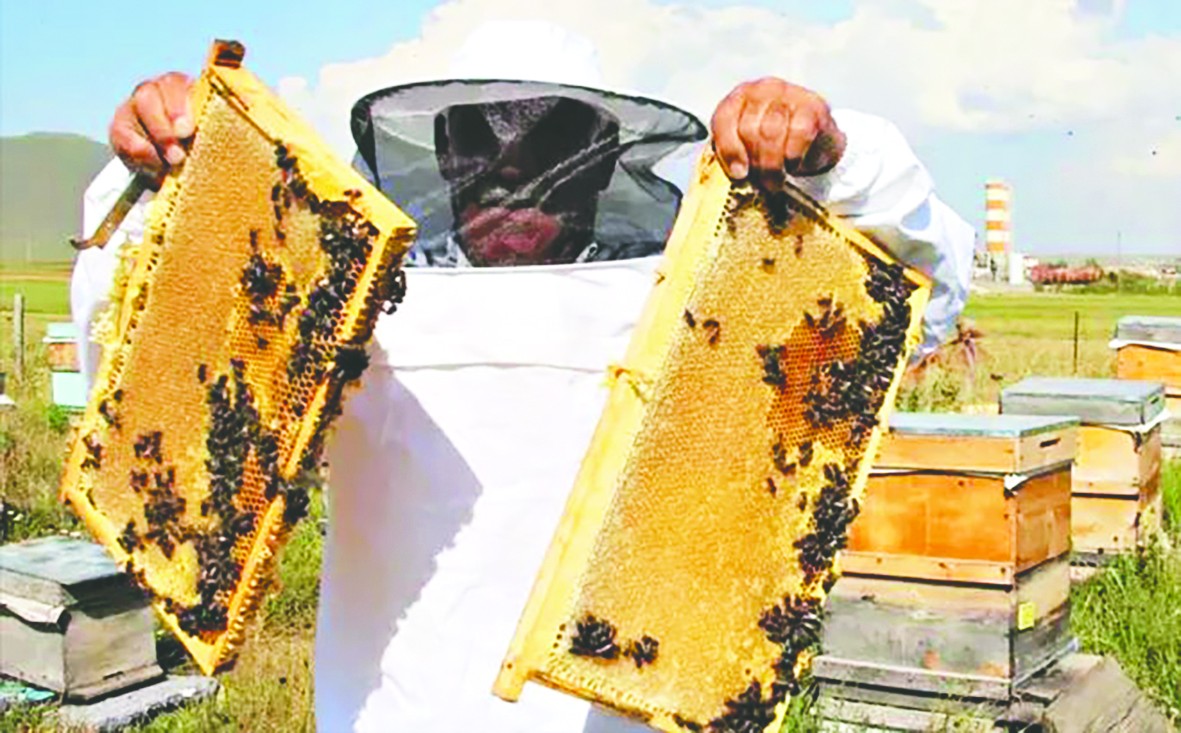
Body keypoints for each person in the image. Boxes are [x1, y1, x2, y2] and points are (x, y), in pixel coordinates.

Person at [73, 19, 974, 732]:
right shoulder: (347, 302)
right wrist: (164, 182)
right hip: (392, 716)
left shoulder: (693, 293)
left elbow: (921, 294)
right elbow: (130, 363)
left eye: (548, 149)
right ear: (444, 156)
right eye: (480, 144)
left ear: (600, 162)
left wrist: (835, 158)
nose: (511, 173)